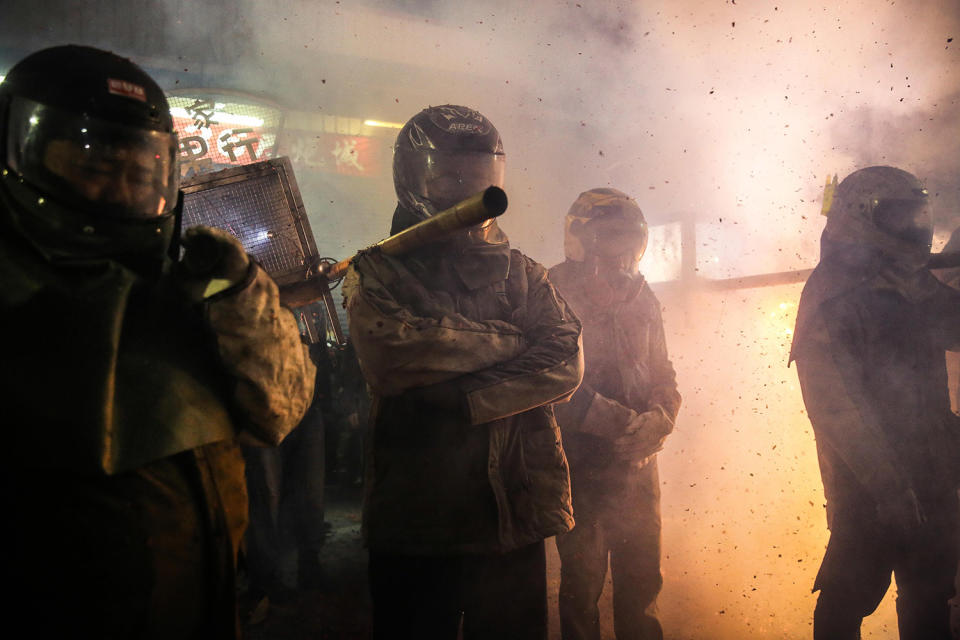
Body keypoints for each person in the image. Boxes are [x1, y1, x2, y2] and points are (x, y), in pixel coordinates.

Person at [0, 45, 315, 638]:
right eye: (91, 169)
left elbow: (278, 413)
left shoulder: (186, 295)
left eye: (140, 174)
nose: (119, 193)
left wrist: (242, 292)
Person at [342, 104, 583, 639]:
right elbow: (393, 355)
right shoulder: (376, 269)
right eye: (451, 176)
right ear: (412, 179)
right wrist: (514, 342)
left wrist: (466, 399)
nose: (469, 191)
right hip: (416, 523)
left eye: (479, 177)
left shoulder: (524, 272)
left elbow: (565, 358)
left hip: (514, 516)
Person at [790, 166, 960, 639]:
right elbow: (836, 409)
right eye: (899, 218)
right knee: (850, 589)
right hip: (864, 476)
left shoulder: (907, 281)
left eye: (916, 216)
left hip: (931, 462)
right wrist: (888, 487)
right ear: (861, 217)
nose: (913, 229)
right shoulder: (833, 297)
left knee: (929, 591)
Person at [548, 188, 681, 640]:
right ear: (581, 239)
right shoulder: (550, 293)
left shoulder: (644, 297)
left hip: (640, 463)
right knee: (582, 584)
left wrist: (664, 416)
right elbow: (552, 382)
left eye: (626, 238)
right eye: (607, 237)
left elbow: (663, 371)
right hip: (581, 461)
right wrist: (627, 426)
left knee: (642, 580)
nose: (620, 250)